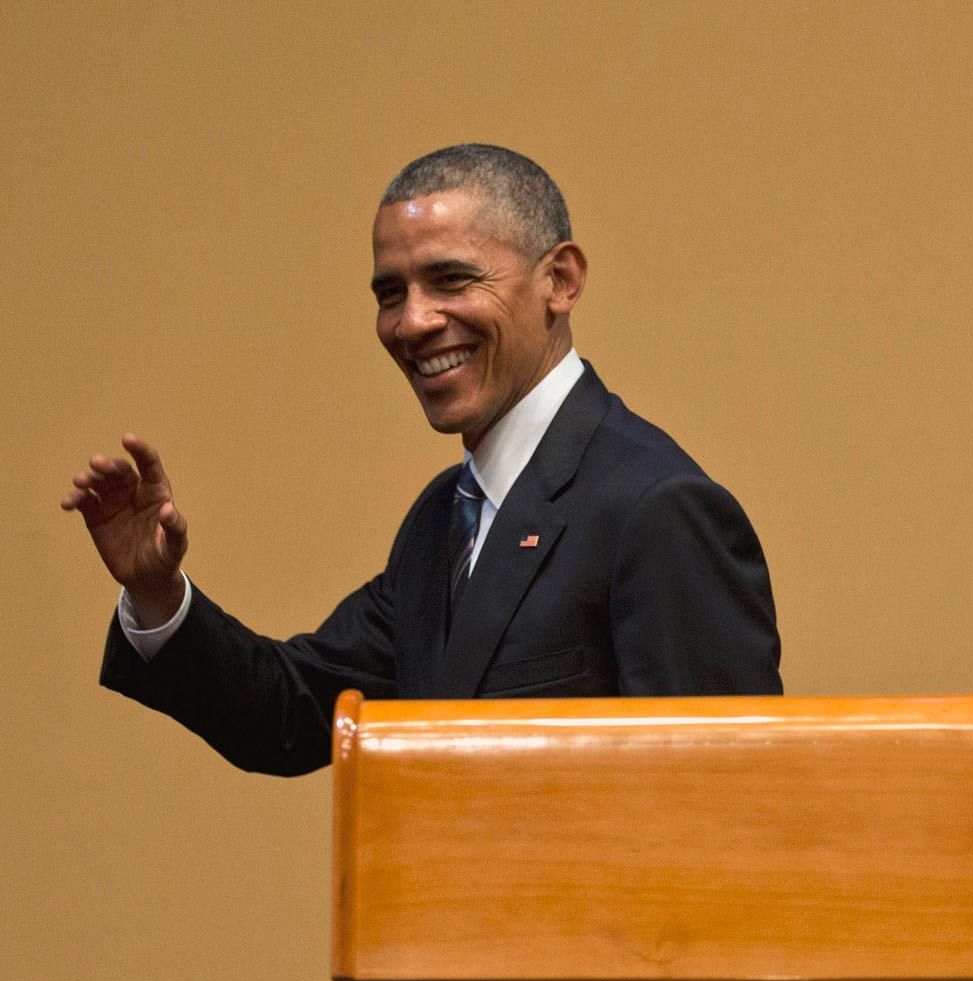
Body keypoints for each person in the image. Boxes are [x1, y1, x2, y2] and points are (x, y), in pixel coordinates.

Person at [61, 144, 783, 776]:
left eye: (451, 281)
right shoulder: (446, 518)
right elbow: (292, 715)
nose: (411, 322)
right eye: (389, 294)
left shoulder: (655, 508)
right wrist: (157, 595)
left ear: (560, 281)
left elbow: (723, 812)